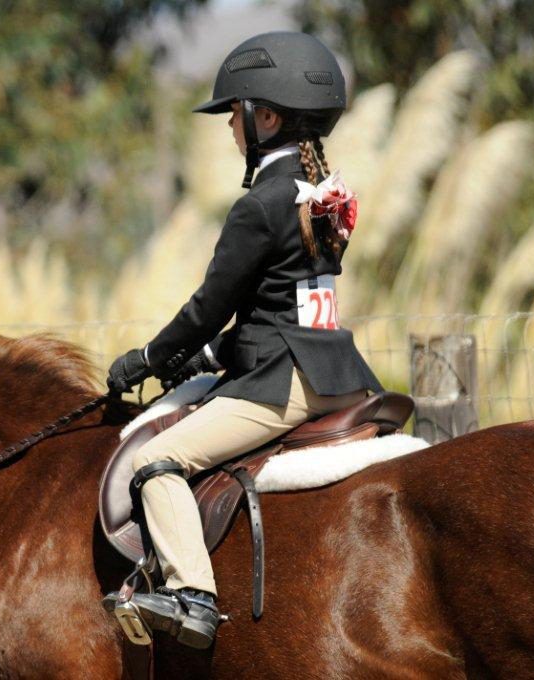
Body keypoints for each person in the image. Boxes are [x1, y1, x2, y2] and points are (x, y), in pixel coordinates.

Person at [103, 31, 384, 650]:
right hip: (336, 371)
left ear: (267, 116)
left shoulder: (259, 205)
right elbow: (281, 303)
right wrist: (210, 358)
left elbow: (210, 307)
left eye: (235, 113)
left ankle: (192, 596)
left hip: (282, 384)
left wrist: (148, 358)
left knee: (156, 463)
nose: (231, 126)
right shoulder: (320, 196)